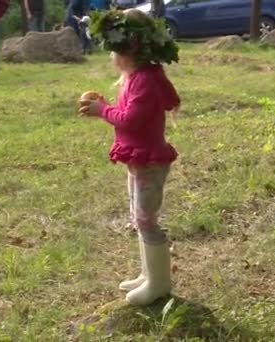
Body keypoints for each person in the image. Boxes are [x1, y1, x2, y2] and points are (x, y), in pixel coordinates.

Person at [78, 9, 180, 306]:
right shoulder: (138, 76)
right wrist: (106, 105)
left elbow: (131, 119)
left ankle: (159, 284)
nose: (111, 57)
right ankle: (148, 274)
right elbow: (128, 113)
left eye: (113, 49)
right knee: (140, 218)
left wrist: (102, 111)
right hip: (140, 161)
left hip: (150, 162)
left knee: (147, 220)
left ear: (129, 47)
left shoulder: (144, 80)